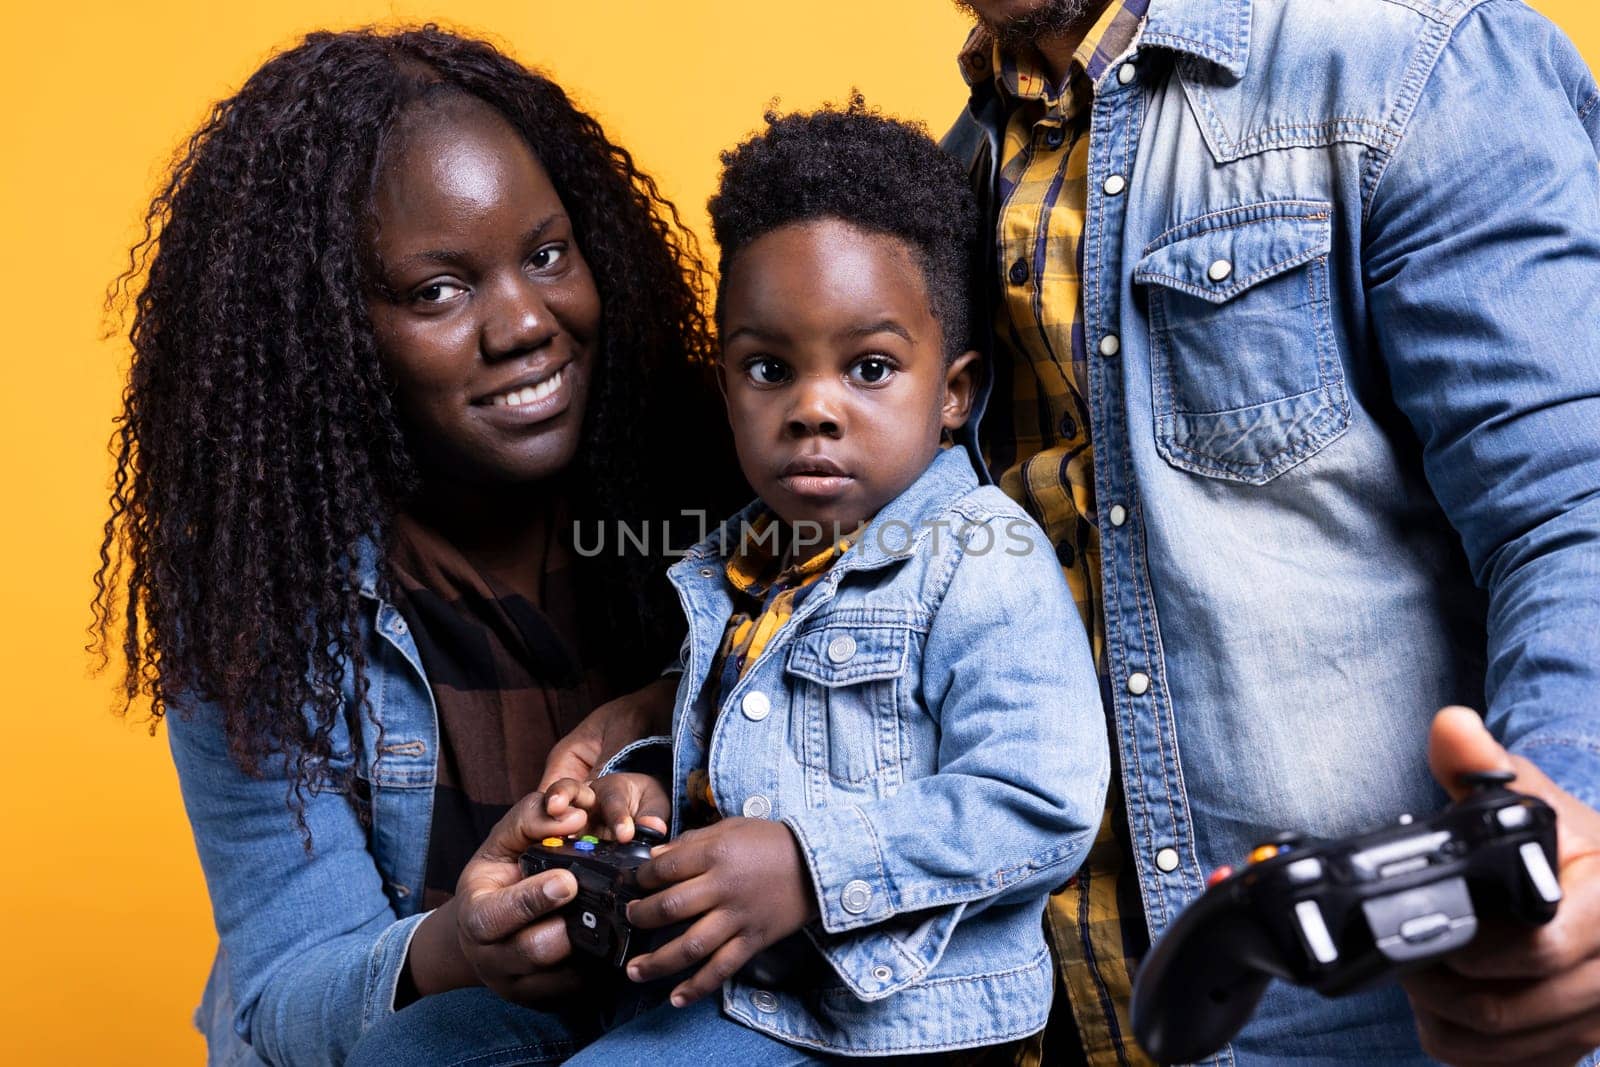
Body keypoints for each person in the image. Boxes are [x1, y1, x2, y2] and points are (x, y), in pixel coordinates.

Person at [936, 1, 1600, 1065]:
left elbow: (1572, 511)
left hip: (1389, 1023)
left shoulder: (1407, 62)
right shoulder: (962, 166)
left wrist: (1570, 813)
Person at [92, 25, 740, 1067]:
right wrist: (454, 947)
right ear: (325, 331)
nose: (524, 321)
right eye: (437, 290)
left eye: (545, 255)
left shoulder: (736, 485)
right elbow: (279, 992)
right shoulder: (258, 587)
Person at [539, 103, 1111, 1062]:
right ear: (726, 388)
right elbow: (758, 762)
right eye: (769, 368)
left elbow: (1042, 798)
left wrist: (810, 868)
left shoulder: (981, 561)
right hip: (722, 989)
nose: (813, 408)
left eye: (871, 368)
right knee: (434, 1038)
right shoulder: (739, 565)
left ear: (955, 393)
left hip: (876, 1021)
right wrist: (636, 789)